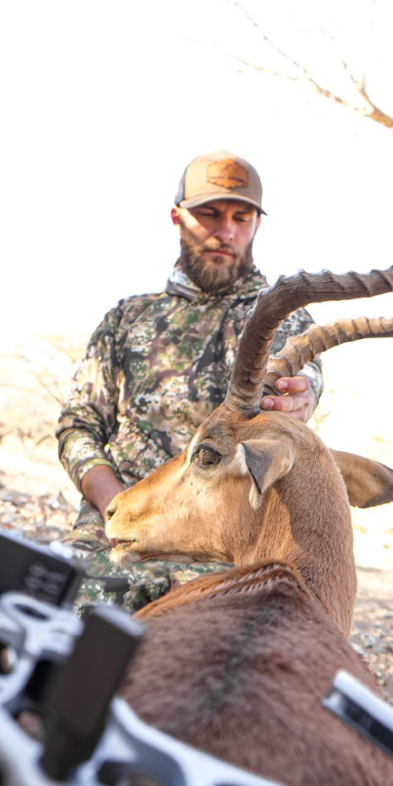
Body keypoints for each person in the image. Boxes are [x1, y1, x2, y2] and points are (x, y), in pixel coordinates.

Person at [56, 150, 322, 609]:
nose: (226, 231)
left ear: (257, 224)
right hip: (117, 534)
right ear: (177, 217)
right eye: (209, 214)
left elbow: (304, 387)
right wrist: (116, 504)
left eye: (242, 217)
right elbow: (78, 425)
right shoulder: (129, 317)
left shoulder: (288, 323)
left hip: (223, 550)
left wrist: (301, 402)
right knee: (55, 634)